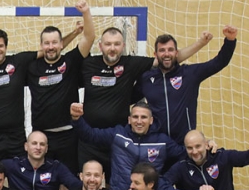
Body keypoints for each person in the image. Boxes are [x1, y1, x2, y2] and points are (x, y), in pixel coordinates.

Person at [80, 26, 210, 170]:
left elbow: (167, 59)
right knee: (88, 177)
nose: (112, 48)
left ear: (123, 46)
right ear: (100, 46)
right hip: (89, 137)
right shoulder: (88, 64)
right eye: (108, 44)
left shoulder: (131, 64)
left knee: (118, 179)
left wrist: (201, 43)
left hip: (119, 138)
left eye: (116, 44)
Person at [0, 26, 82, 160]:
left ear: (6, 47)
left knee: (20, 173)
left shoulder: (19, 61)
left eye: (0, 46)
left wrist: (74, 33)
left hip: (16, 137)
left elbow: (49, 49)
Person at [135, 27, 236, 145]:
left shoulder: (190, 74)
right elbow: (128, 97)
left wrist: (230, 40)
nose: (166, 54)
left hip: (185, 144)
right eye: (162, 50)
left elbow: (219, 63)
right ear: (155, 55)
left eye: (170, 50)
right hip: (157, 144)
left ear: (176, 53)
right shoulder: (146, 79)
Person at [26, 1, 96, 171]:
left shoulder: (70, 61)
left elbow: (89, 38)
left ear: (61, 44)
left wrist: (86, 12)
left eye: (54, 42)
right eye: (47, 43)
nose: (51, 47)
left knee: (68, 180)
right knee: (43, 181)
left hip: (69, 134)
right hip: (42, 137)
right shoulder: (31, 67)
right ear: (41, 46)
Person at [71, 100, 185, 190]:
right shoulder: (118, 134)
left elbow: (183, 155)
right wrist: (76, 118)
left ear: (151, 120)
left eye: (143, 117)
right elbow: (90, 135)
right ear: (129, 120)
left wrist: (166, 180)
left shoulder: (162, 141)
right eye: (135, 117)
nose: (139, 121)